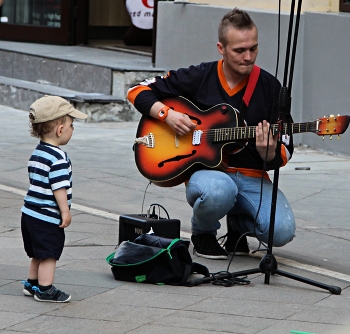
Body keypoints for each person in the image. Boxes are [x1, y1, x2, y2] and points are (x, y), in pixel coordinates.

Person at [127, 8, 296, 260]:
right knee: (219, 191)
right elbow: (137, 90)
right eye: (240, 50)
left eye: (254, 48)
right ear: (221, 48)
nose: (248, 57)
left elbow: (285, 146)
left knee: (282, 232)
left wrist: (269, 153)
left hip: (251, 176)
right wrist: (167, 115)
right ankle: (203, 232)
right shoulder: (199, 76)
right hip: (210, 176)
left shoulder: (271, 87)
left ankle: (239, 221)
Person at [21, 95, 88, 302]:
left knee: (37, 252)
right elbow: (59, 187)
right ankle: (45, 289)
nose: (72, 129)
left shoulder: (37, 153)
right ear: (60, 130)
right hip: (47, 216)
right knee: (49, 253)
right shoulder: (59, 158)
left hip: (29, 213)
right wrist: (65, 211)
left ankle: (32, 283)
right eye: (71, 124)